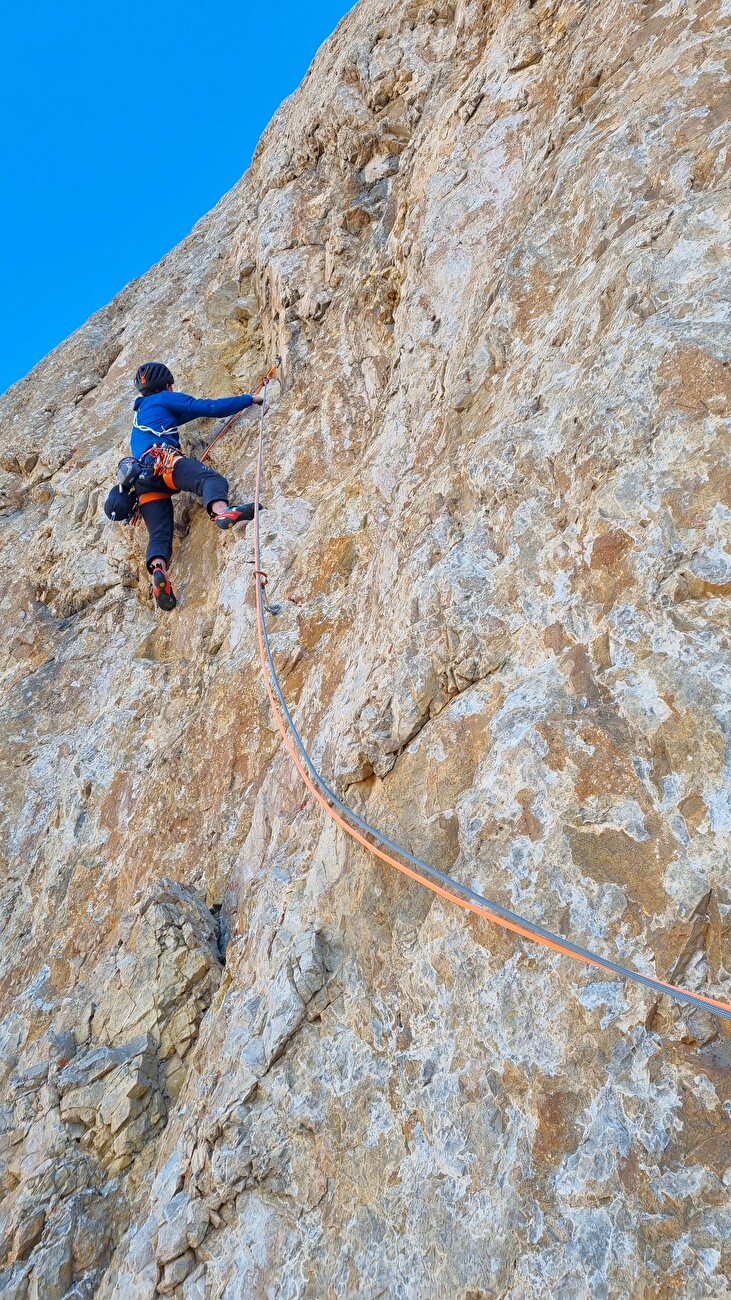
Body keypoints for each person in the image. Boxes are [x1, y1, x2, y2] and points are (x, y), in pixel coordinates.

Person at [129, 362, 263, 611]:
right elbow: (207, 407)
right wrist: (249, 399)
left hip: (143, 483)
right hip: (164, 464)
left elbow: (186, 414)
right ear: (167, 385)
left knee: (159, 534)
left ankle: (158, 569)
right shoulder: (165, 399)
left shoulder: (142, 412)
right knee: (210, 481)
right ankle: (221, 512)